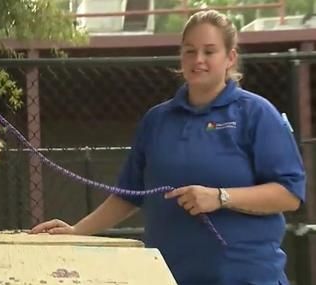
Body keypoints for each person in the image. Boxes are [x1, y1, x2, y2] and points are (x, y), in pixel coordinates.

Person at [30, 9, 306, 285]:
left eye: (209, 51)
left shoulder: (257, 114)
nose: (198, 60)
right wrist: (77, 230)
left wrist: (221, 197)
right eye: (190, 51)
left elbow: (289, 195)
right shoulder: (157, 120)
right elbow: (130, 194)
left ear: (230, 57)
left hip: (245, 277)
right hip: (169, 276)